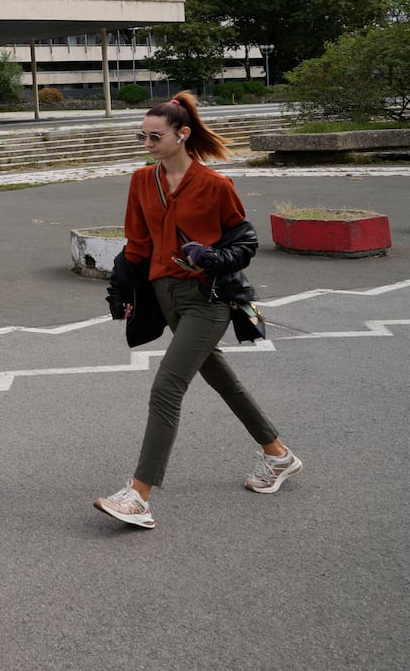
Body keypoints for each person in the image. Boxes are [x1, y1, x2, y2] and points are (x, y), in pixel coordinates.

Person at [94, 91, 302, 529]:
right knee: (222, 379)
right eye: (142, 136)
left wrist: (212, 257)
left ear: (182, 135)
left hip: (209, 300)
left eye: (155, 136)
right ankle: (278, 456)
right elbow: (136, 245)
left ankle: (139, 495)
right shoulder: (140, 181)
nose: (147, 143)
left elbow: (245, 243)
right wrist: (120, 287)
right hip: (165, 297)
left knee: (166, 388)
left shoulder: (215, 186)